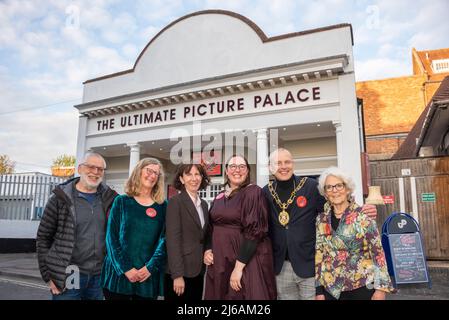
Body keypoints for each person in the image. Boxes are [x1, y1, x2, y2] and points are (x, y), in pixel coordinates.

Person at [262, 148, 377, 300]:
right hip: (281, 267)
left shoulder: (309, 186)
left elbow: (334, 204)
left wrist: (361, 210)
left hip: (309, 264)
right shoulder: (265, 193)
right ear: (270, 167)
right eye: (278, 163)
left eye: (287, 162)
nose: (283, 166)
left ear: (293, 164)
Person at [36, 152, 118, 300]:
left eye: (100, 169)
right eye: (91, 167)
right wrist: (48, 275)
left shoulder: (110, 198)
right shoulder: (59, 199)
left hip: (99, 277)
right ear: (80, 169)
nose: (96, 172)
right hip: (70, 273)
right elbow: (43, 238)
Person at [203, 155, 277, 300]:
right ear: (226, 171)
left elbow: (255, 232)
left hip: (243, 260)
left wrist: (238, 268)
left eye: (242, 167)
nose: (237, 170)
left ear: (248, 171)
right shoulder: (219, 196)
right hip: (219, 261)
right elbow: (210, 227)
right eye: (233, 166)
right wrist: (208, 249)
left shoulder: (253, 192)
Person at [315, 166, 393, 300]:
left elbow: (378, 253)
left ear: (347, 189)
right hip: (331, 290)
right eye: (329, 187)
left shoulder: (363, 217)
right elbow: (319, 255)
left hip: (361, 287)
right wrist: (319, 290)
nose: (334, 191)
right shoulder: (321, 220)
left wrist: (381, 289)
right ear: (325, 193)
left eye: (339, 185)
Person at [101, 158, 167, 300]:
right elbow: (111, 238)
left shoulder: (163, 206)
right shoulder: (122, 201)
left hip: (146, 277)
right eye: (149, 170)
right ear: (139, 171)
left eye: (156, 173)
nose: (153, 175)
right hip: (119, 276)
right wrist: (126, 268)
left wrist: (150, 267)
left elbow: (165, 240)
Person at [165, 164, 210, 301]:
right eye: (189, 174)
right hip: (180, 272)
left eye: (197, 174)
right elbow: (172, 241)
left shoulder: (203, 204)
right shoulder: (175, 202)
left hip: (198, 269)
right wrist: (177, 275)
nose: (194, 178)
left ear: (202, 178)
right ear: (182, 179)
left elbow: (204, 235)